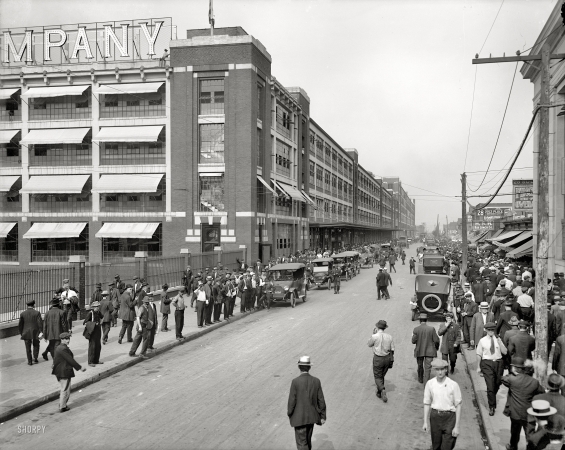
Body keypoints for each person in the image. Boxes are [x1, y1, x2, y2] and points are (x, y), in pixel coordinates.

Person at [502, 356, 546, 450]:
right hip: (529, 414)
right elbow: (542, 392)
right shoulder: (534, 382)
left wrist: (514, 374)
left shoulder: (512, 379)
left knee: (514, 432)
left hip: (515, 413)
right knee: (529, 435)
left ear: (515, 368)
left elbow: (503, 379)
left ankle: (513, 447)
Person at [287, 356, 326, 450]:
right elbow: (321, 400)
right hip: (312, 417)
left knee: (302, 444)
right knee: (307, 442)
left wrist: (290, 413)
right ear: (309, 367)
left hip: (299, 418)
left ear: (299, 367)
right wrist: (323, 416)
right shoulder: (316, 381)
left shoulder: (295, 382)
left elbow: (291, 401)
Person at [423, 359, 462, 450]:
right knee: (436, 446)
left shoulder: (453, 385)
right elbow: (427, 403)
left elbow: (458, 405)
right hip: (435, 417)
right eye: (437, 369)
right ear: (434, 370)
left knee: (447, 446)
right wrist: (425, 422)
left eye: (442, 369)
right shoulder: (430, 384)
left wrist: (457, 426)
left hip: (449, 418)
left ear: (446, 370)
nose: (440, 372)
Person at [476, 322, 507, 416]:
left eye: (492, 330)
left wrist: (500, 342)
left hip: (498, 363)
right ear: (486, 330)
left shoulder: (498, 339)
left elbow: (505, 352)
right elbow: (479, 354)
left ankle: (492, 395)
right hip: (487, 363)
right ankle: (492, 406)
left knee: (497, 383)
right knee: (490, 385)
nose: (491, 331)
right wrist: (478, 366)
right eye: (489, 330)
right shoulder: (482, 341)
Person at [52, 332, 86, 412]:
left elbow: (56, 359)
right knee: (65, 389)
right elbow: (70, 360)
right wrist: (80, 367)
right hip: (64, 371)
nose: (68, 340)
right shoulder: (63, 349)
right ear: (62, 340)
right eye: (66, 339)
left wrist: (53, 365)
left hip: (59, 371)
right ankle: (62, 406)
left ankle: (62, 403)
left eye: (68, 339)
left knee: (64, 388)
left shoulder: (59, 347)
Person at [367, 320, 395, 403]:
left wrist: (373, 334)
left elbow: (369, 344)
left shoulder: (375, 336)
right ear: (385, 328)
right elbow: (392, 349)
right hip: (387, 358)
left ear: (378, 327)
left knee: (377, 376)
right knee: (382, 375)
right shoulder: (389, 337)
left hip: (378, 358)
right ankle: (379, 392)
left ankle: (382, 389)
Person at [412, 313, 440, 384]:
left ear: (419, 320)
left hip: (419, 350)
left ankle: (420, 378)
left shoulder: (416, 329)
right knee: (428, 368)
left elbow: (413, 341)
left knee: (420, 365)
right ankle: (426, 381)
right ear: (426, 320)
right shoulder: (431, 329)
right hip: (430, 351)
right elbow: (436, 340)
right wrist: (436, 347)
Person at [42, 296, 68, 361]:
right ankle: (55, 360)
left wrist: (45, 335)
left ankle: (53, 358)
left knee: (52, 346)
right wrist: (66, 334)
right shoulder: (62, 312)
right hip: (59, 333)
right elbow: (64, 325)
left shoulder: (47, 313)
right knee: (56, 347)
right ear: (58, 304)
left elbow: (45, 325)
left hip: (50, 333)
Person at [19, 299, 43, 365]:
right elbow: (40, 323)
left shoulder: (22, 313)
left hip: (25, 332)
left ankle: (29, 361)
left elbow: (20, 325)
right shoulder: (37, 313)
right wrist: (41, 331)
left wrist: (21, 333)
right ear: (33, 305)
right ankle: (35, 358)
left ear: (27, 305)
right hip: (35, 331)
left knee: (27, 347)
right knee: (36, 345)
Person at [83, 301, 103, 367]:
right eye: (96, 306)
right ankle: (90, 361)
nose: (98, 308)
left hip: (98, 330)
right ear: (93, 307)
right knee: (92, 346)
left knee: (98, 346)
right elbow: (85, 322)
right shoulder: (90, 313)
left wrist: (100, 323)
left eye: (98, 306)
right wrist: (93, 324)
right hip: (92, 331)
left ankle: (96, 360)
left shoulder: (98, 312)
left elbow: (102, 317)